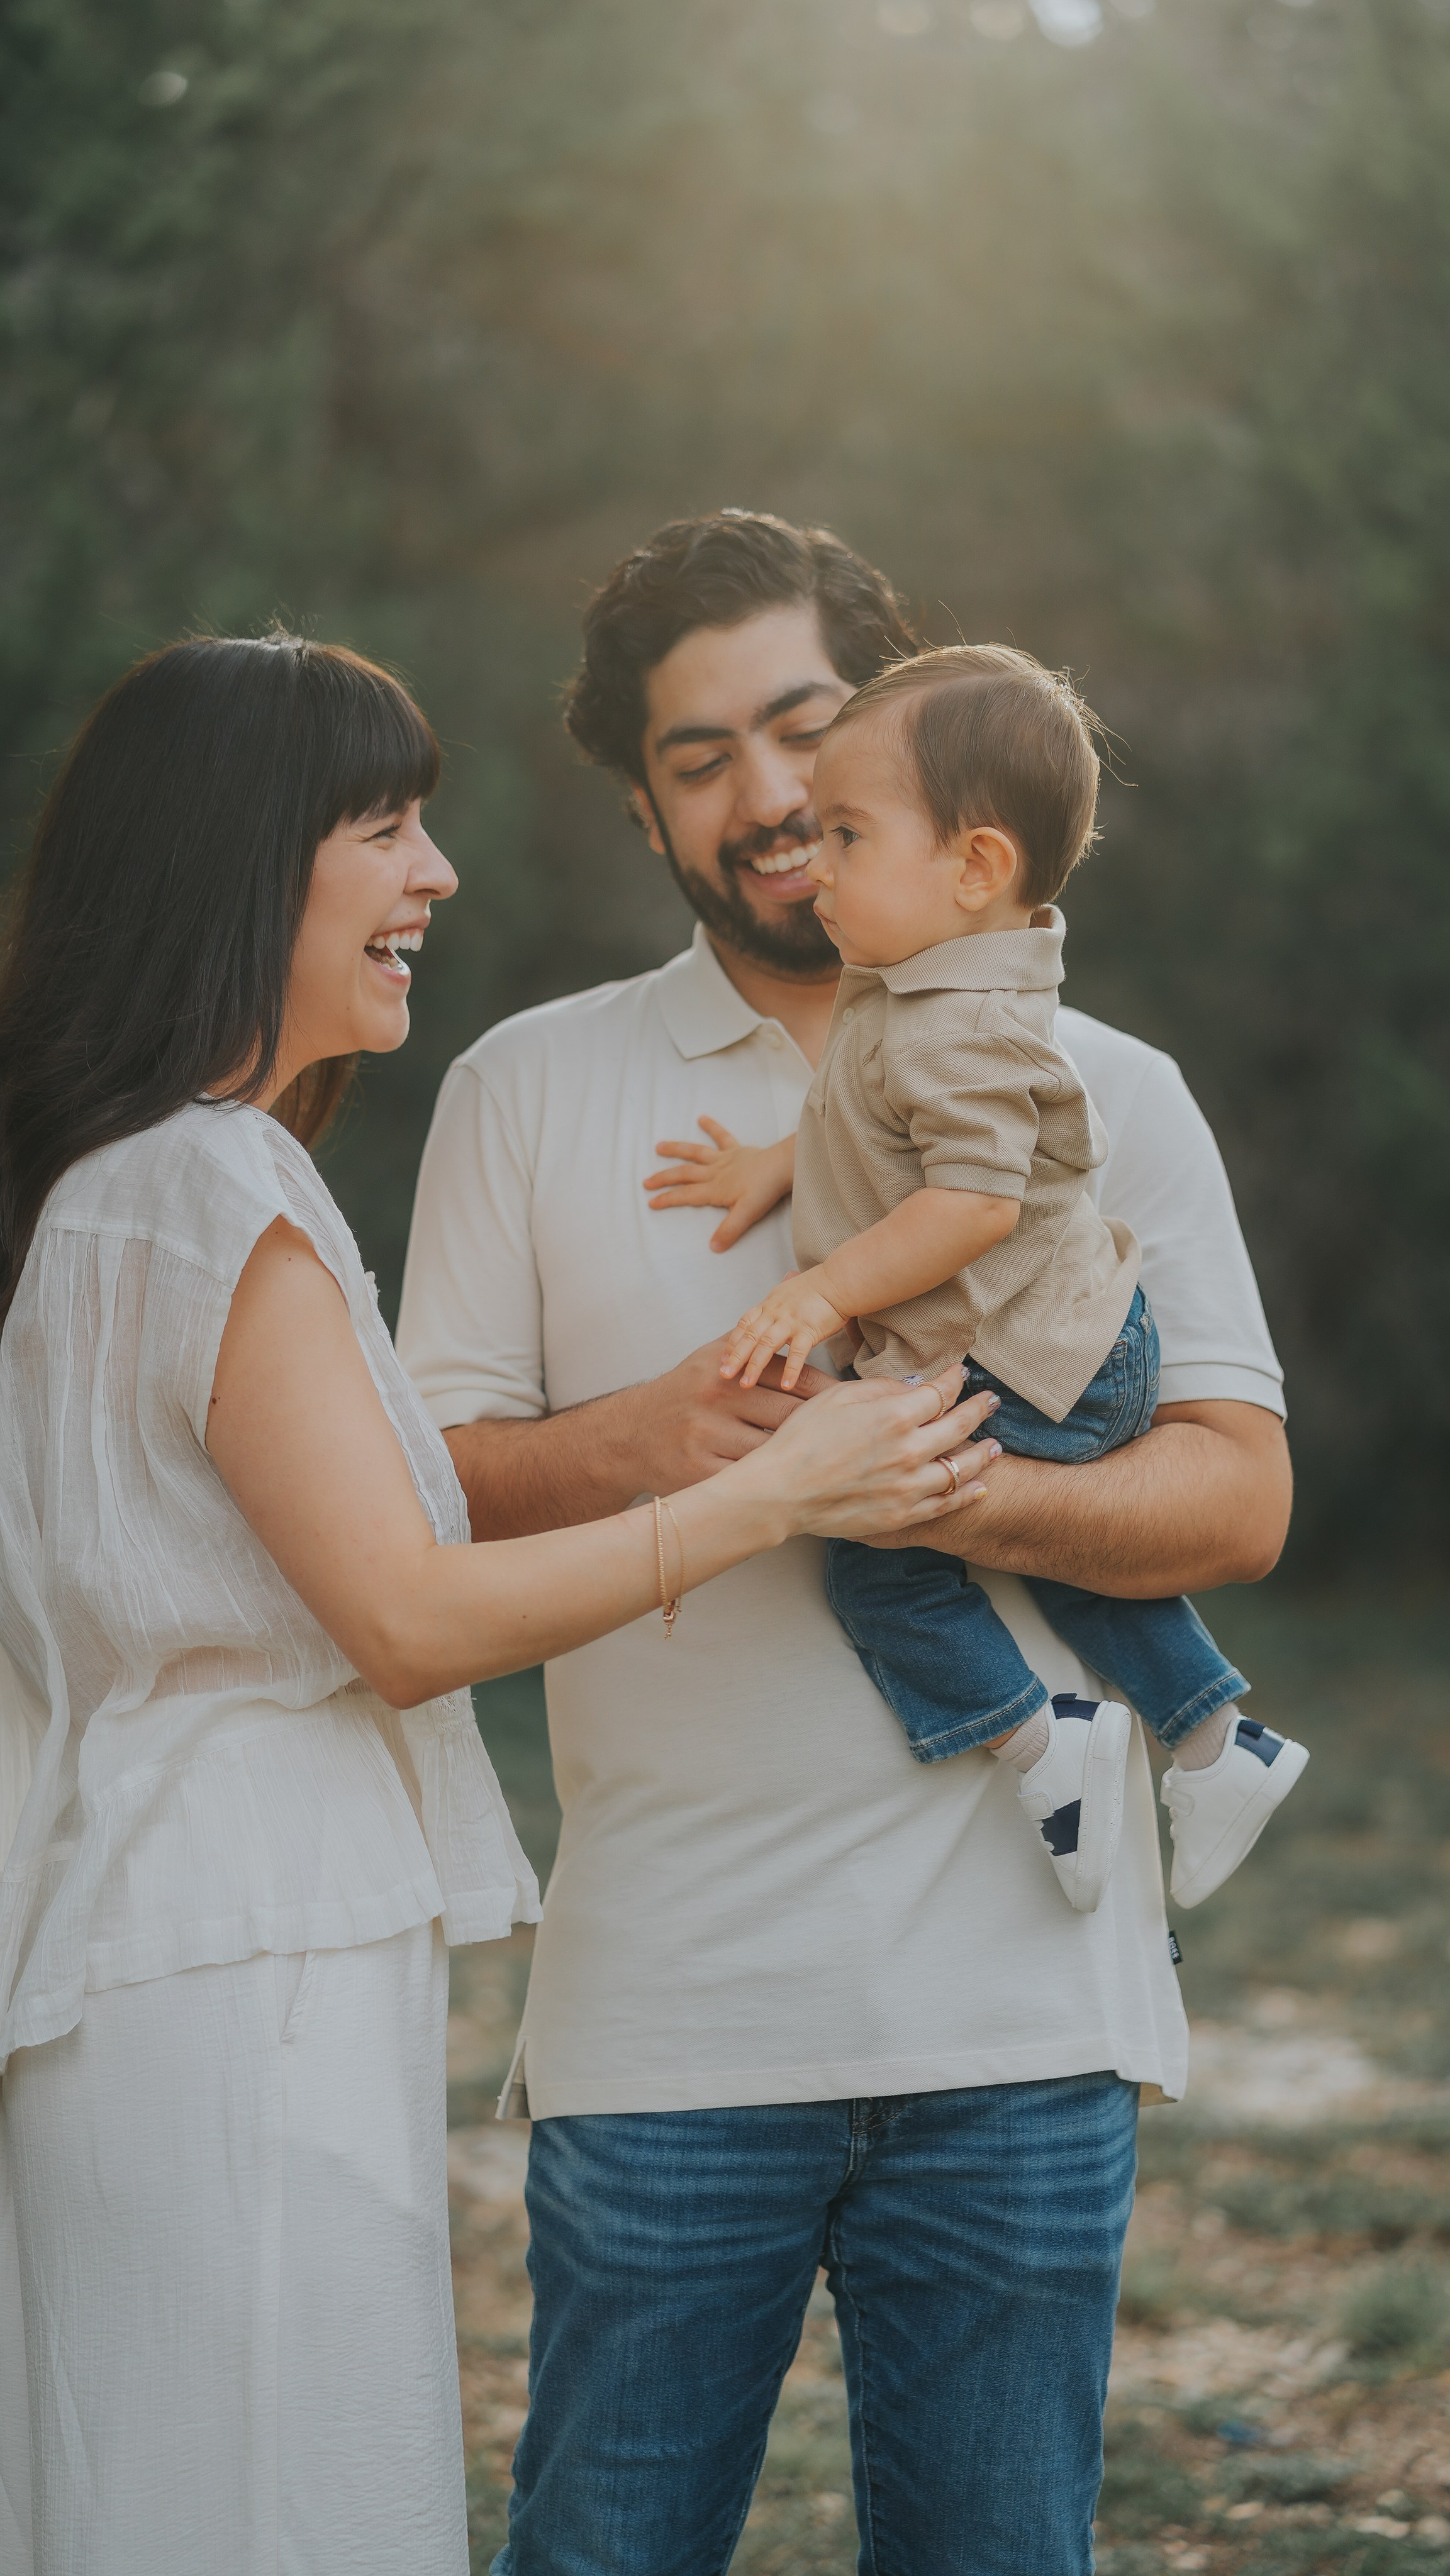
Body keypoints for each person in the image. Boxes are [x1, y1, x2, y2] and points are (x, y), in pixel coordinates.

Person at [0, 633, 972, 2576]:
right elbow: (410, 1618)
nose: (434, 876)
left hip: (150, 1940)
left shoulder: (96, 1185)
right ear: (240, 863)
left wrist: (655, 1442)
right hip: (242, 1960)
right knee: (275, 2513)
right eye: (383, 827)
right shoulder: (215, 1188)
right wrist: (772, 1495)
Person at [397, 511, 1293, 2576]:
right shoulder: (528, 1089)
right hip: (667, 2021)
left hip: (1024, 2025)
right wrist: (679, 1445)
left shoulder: (1099, 1085)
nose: (770, 792)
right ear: (646, 807)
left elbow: (1237, 1495)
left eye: (804, 726)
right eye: (699, 755)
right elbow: (431, 1484)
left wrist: (960, 1493)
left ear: (897, 728)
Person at [717, 643, 1307, 1916]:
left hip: (1044, 1353)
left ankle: (1045, 1750)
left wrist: (823, 1294)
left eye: (847, 834)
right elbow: (867, 1127)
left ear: (976, 867)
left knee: (876, 1556)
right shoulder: (915, 983)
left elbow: (971, 1202)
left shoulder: (965, 1028)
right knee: (1065, 1557)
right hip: (1053, 1342)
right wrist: (772, 1164)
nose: (813, 862)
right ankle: (1216, 1742)